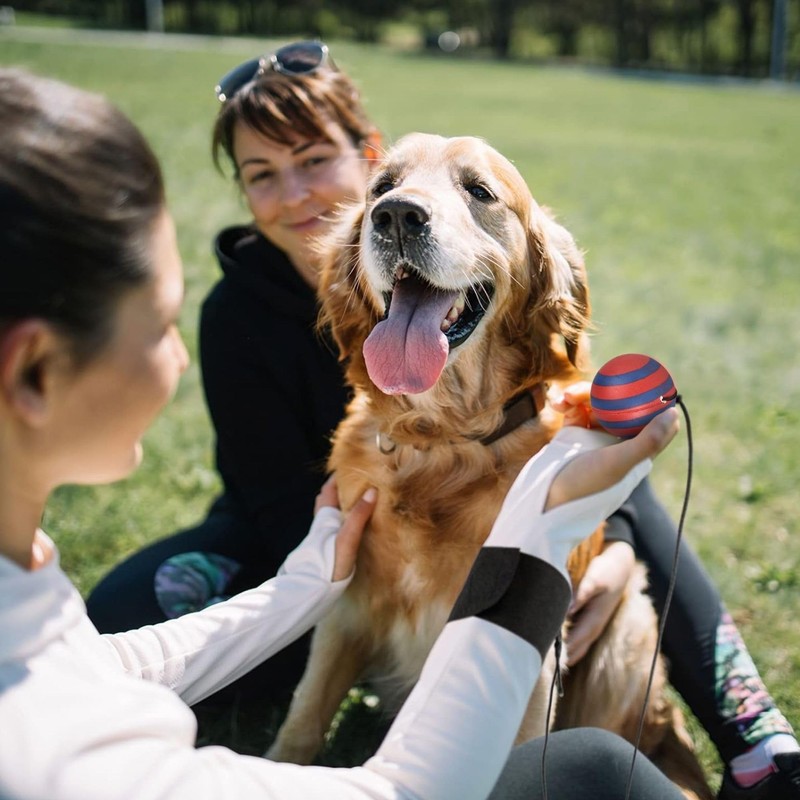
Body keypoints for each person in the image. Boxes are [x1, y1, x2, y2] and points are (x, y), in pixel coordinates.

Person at [84, 42, 800, 798]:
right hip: (297, 537)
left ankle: (751, 729)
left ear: (364, 157)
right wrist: (342, 568)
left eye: (315, 160)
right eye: (263, 175)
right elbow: (271, 502)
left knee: (608, 466)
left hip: (458, 516)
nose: (295, 194)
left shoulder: (489, 302)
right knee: (125, 607)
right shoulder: (239, 312)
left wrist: (606, 552)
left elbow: (579, 448)